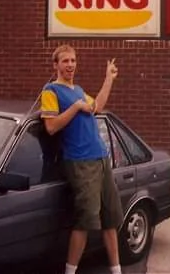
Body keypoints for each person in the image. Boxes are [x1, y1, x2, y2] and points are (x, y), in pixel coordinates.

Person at [40, 44, 123, 274]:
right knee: (86, 219)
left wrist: (109, 78)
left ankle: (116, 270)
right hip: (79, 162)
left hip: (101, 158)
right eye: (65, 61)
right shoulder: (51, 91)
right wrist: (76, 107)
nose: (70, 65)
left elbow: (97, 106)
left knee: (110, 219)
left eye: (73, 61)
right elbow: (51, 127)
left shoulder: (78, 89)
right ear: (55, 65)